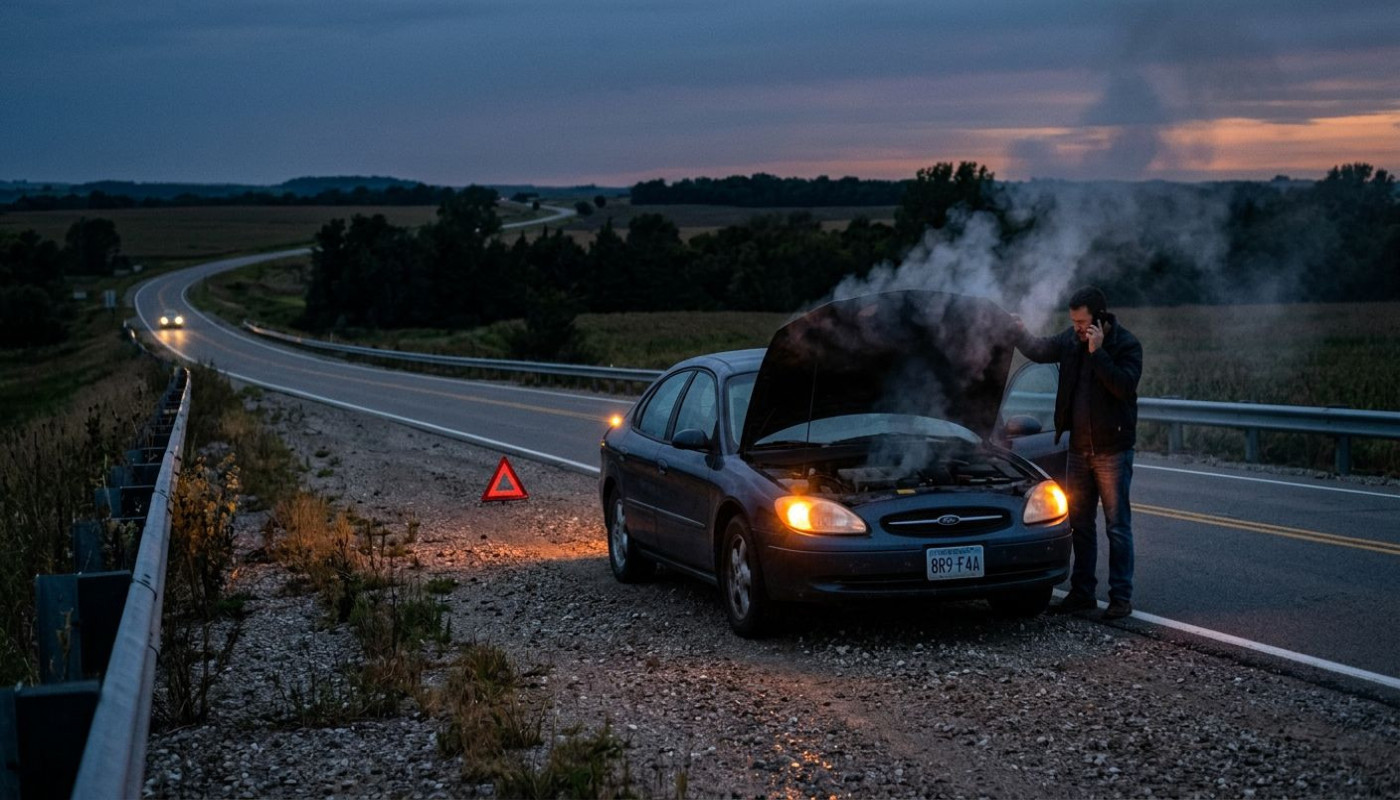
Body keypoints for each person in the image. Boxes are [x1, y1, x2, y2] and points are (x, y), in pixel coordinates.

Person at [1014, 286, 1143, 620]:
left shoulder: (1126, 346)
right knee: (1080, 523)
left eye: (1082, 322)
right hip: (1078, 449)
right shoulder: (1071, 342)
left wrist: (1098, 352)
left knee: (1117, 526)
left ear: (1100, 319)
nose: (1077, 327)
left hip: (1112, 451)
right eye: (1073, 321)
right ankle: (1082, 592)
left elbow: (1123, 386)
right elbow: (1040, 351)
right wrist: (1018, 332)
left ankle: (1121, 598)